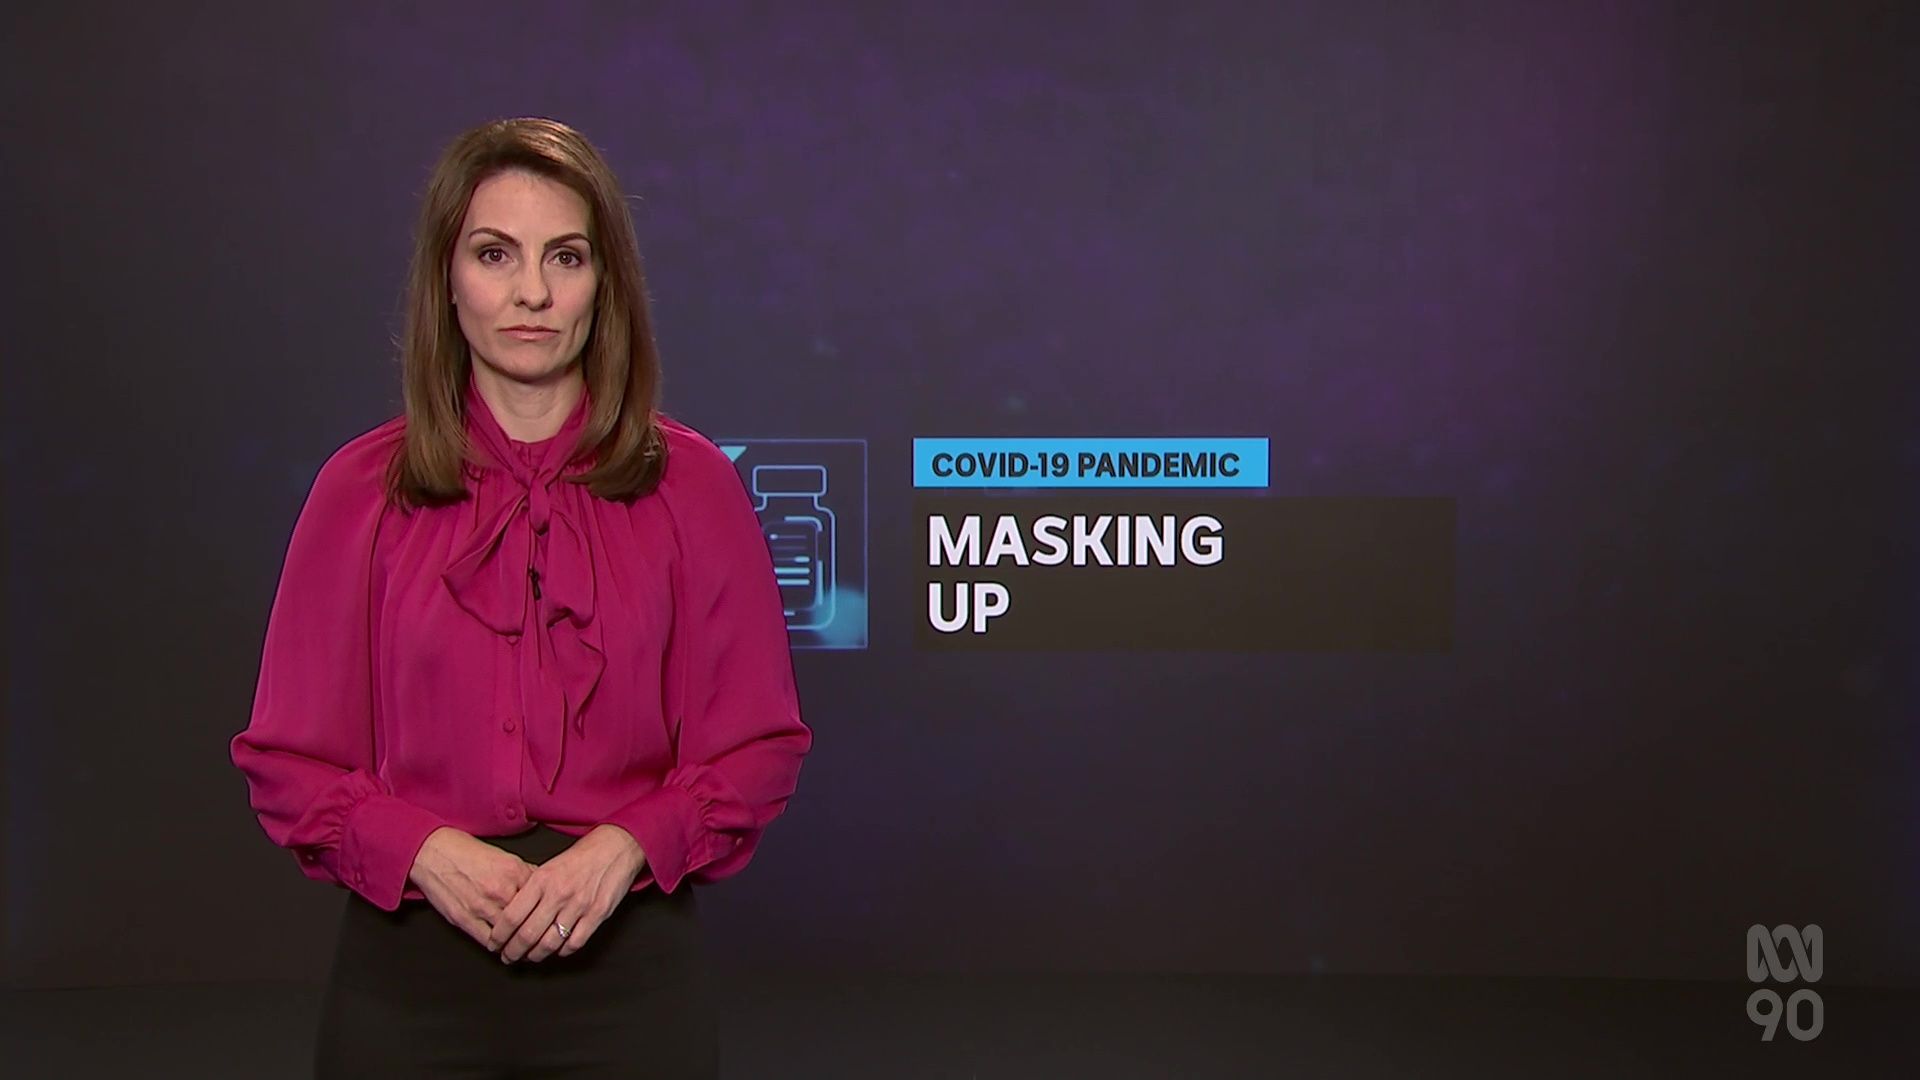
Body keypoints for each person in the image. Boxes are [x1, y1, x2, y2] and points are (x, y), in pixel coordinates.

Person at [228, 117, 812, 1079]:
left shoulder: (693, 486)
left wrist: (624, 847)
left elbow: (757, 746)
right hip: (409, 977)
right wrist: (425, 852)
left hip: (629, 973)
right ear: (447, 279)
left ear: (604, 284)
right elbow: (289, 759)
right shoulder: (359, 490)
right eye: (495, 254)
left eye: (565, 257)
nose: (531, 292)